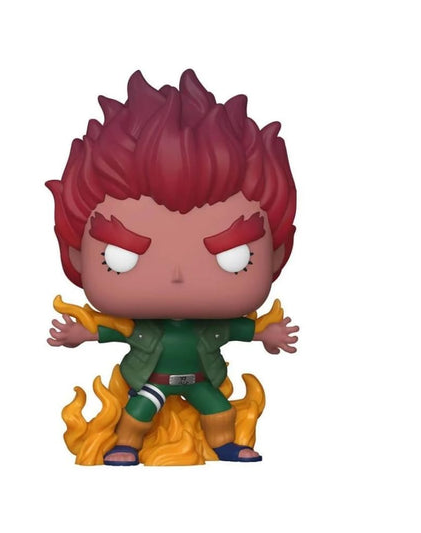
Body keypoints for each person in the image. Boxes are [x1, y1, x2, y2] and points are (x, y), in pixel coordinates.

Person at [47, 69, 298, 465]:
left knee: (220, 411)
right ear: (76, 255)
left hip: (200, 380)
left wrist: (267, 335)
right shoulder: (143, 328)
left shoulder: (213, 327)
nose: (177, 275)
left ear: (277, 256)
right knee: (137, 413)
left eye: (234, 257)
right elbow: (113, 332)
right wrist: (82, 334)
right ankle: (126, 445)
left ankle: (225, 445)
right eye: (120, 257)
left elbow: (242, 330)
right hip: (153, 382)